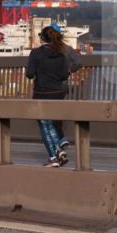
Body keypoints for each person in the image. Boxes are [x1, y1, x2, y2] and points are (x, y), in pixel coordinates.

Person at [26, 24, 81, 167]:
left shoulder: (36, 53)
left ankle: (53, 157)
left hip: (42, 92)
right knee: (51, 123)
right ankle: (58, 149)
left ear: (42, 38)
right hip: (58, 92)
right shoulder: (62, 54)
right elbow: (64, 75)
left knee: (45, 125)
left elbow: (29, 74)